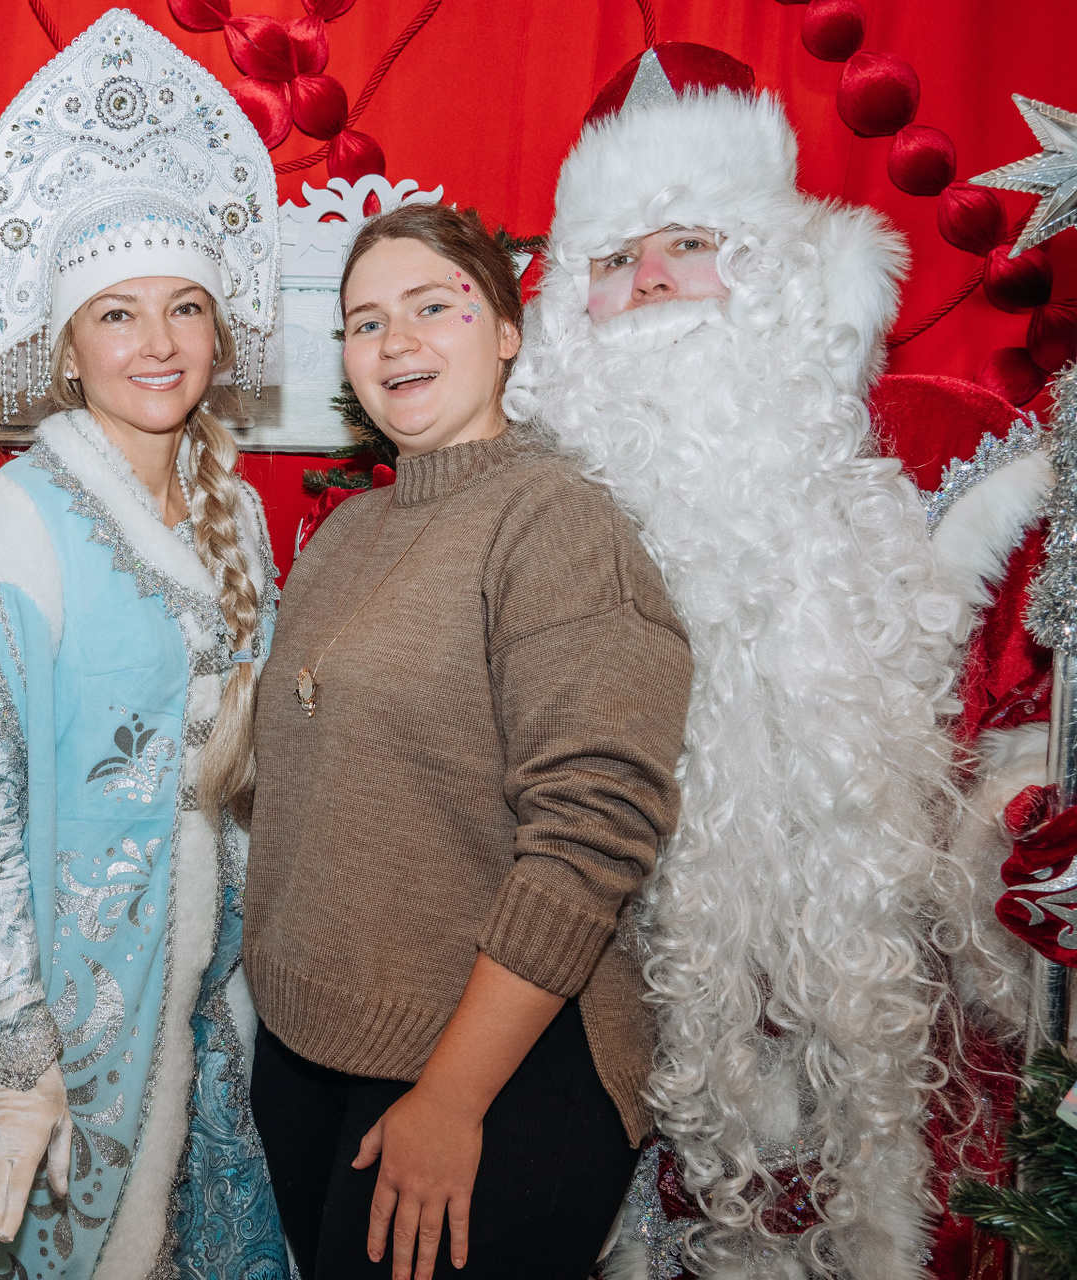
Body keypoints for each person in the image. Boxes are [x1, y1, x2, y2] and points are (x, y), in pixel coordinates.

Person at [504, 49, 1006, 1279]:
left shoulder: (936, 457)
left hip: (906, 1065)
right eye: (613, 260)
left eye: (688, 241)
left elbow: (1020, 733)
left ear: (778, 269)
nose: (650, 281)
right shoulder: (531, 518)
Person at [0, 11, 290, 1278]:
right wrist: (19, 1053)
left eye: (183, 309)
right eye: (117, 314)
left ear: (219, 331)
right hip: (63, 1010)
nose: (156, 343)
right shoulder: (14, 516)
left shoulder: (239, 510)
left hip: (209, 1000)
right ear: (66, 344)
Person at [244, 202, 691, 1280]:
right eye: (365, 322)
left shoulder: (556, 521)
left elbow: (593, 832)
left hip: (490, 1070)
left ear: (505, 333)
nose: (395, 340)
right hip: (313, 1056)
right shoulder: (348, 530)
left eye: (431, 307)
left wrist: (451, 1093)